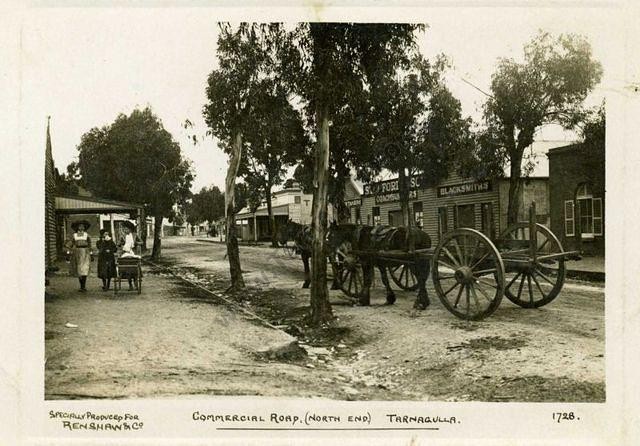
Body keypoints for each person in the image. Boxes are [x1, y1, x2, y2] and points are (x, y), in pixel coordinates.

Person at [65, 220, 93, 292]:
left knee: (85, 269)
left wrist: (91, 254)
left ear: (84, 228)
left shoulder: (87, 235)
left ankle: (84, 286)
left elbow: (90, 245)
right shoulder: (74, 235)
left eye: (82, 226)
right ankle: (81, 286)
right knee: (79, 269)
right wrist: (68, 252)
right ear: (77, 227)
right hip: (77, 253)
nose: (81, 228)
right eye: (79, 226)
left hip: (85, 253)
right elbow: (69, 245)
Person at [118, 221, 142, 290]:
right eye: (124, 229)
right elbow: (118, 244)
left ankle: (135, 283)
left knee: (134, 268)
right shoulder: (123, 236)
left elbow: (141, 242)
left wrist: (136, 243)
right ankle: (130, 284)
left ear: (130, 229)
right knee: (127, 269)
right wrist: (121, 244)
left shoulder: (135, 235)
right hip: (125, 254)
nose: (125, 230)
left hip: (133, 253)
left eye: (126, 229)